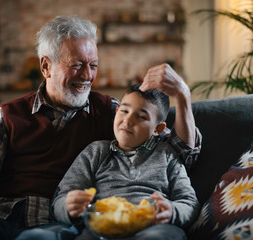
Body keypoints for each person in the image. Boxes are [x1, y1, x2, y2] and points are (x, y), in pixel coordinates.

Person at [0, 16, 201, 240]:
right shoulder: (5, 116)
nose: (87, 76)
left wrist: (183, 96)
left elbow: (180, 153)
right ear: (46, 66)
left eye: (93, 65)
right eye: (77, 65)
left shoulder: (113, 112)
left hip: (55, 225)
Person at [51, 84, 199, 240]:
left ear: (158, 129)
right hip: (103, 227)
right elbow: (61, 198)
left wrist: (172, 211)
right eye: (124, 111)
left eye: (141, 116)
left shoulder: (167, 154)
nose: (128, 120)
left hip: (152, 227)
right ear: (116, 112)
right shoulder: (96, 151)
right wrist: (68, 206)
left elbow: (189, 202)